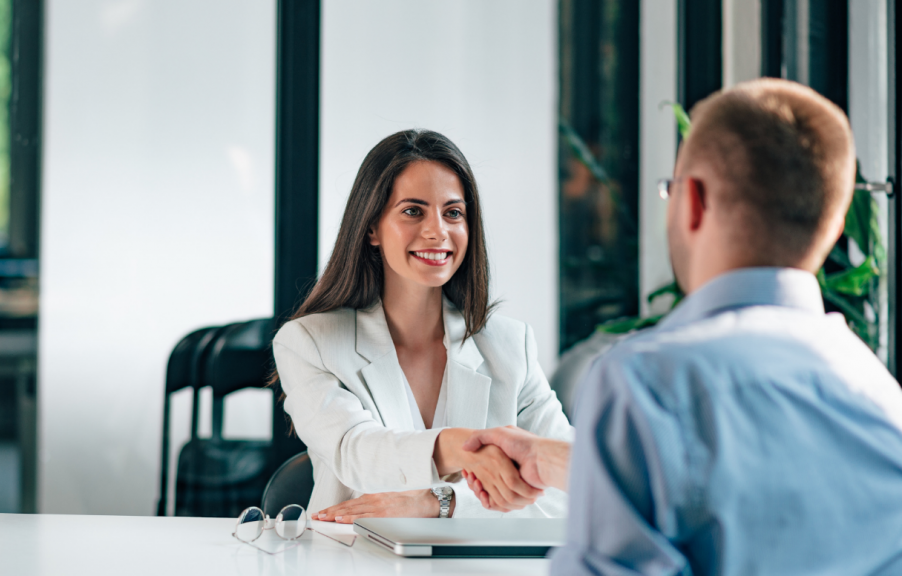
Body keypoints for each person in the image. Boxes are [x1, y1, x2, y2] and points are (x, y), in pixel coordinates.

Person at [463, 78, 902, 574]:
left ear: (692, 200)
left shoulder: (647, 384)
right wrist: (551, 459)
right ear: (835, 222)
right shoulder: (881, 399)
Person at [271, 129, 574, 523]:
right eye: (413, 211)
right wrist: (465, 450)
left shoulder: (511, 345)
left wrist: (442, 503)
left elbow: (575, 486)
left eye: (453, 213)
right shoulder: (309, 343)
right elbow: (355, 452)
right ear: (371, 228)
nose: (438, 231)